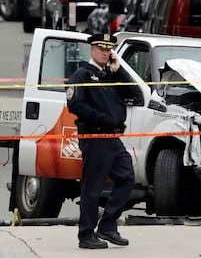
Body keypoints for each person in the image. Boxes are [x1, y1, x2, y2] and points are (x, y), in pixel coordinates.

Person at [66, 33, 141, 249]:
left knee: (127, 178)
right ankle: (86, 234)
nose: (105, 52)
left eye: (108, 49)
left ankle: (108, 225)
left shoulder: (111, 74)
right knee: (93, 188)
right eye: (100, 48)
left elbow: (135, 93)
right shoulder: (82, 75)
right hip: (96, 135)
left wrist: (120, 70)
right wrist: (103, 119)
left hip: (113, 138)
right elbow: (75, 105)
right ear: (92, 49)